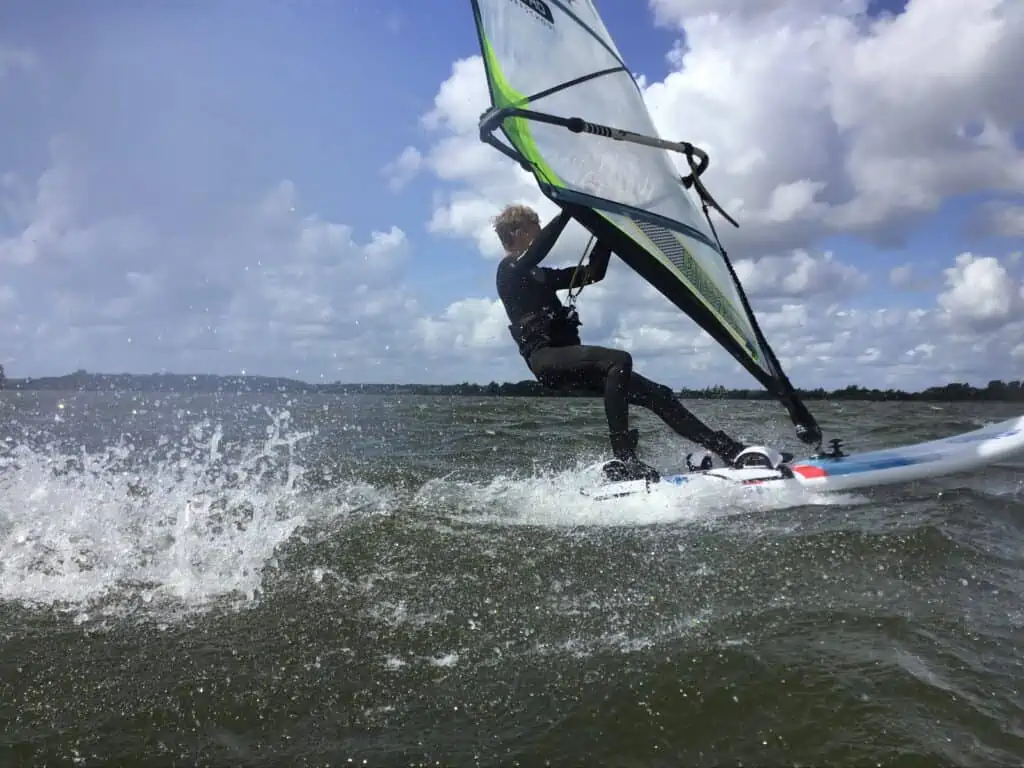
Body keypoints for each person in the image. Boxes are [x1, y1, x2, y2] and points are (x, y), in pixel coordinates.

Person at [493, 202, 747, 482]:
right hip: (547, 359)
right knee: (618, 360)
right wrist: (569, 208)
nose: (540, 231)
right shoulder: (509, 269)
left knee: (659, 395)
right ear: (516, 232)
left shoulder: (538, 274)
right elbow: (539, 249)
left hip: (572, 360)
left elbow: (593, 273)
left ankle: (727, 449)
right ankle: (625, 458)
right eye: (535, 227)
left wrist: (606, 232)